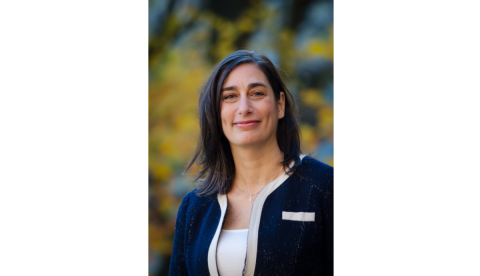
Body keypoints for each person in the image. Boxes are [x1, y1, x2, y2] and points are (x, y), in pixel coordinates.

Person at [168, 50, 333, 276]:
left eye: (257, 93)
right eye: (229, 96)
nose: (244, 108)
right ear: (217, 113)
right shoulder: (194, 207)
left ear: (280, 104)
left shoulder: (325, 188)